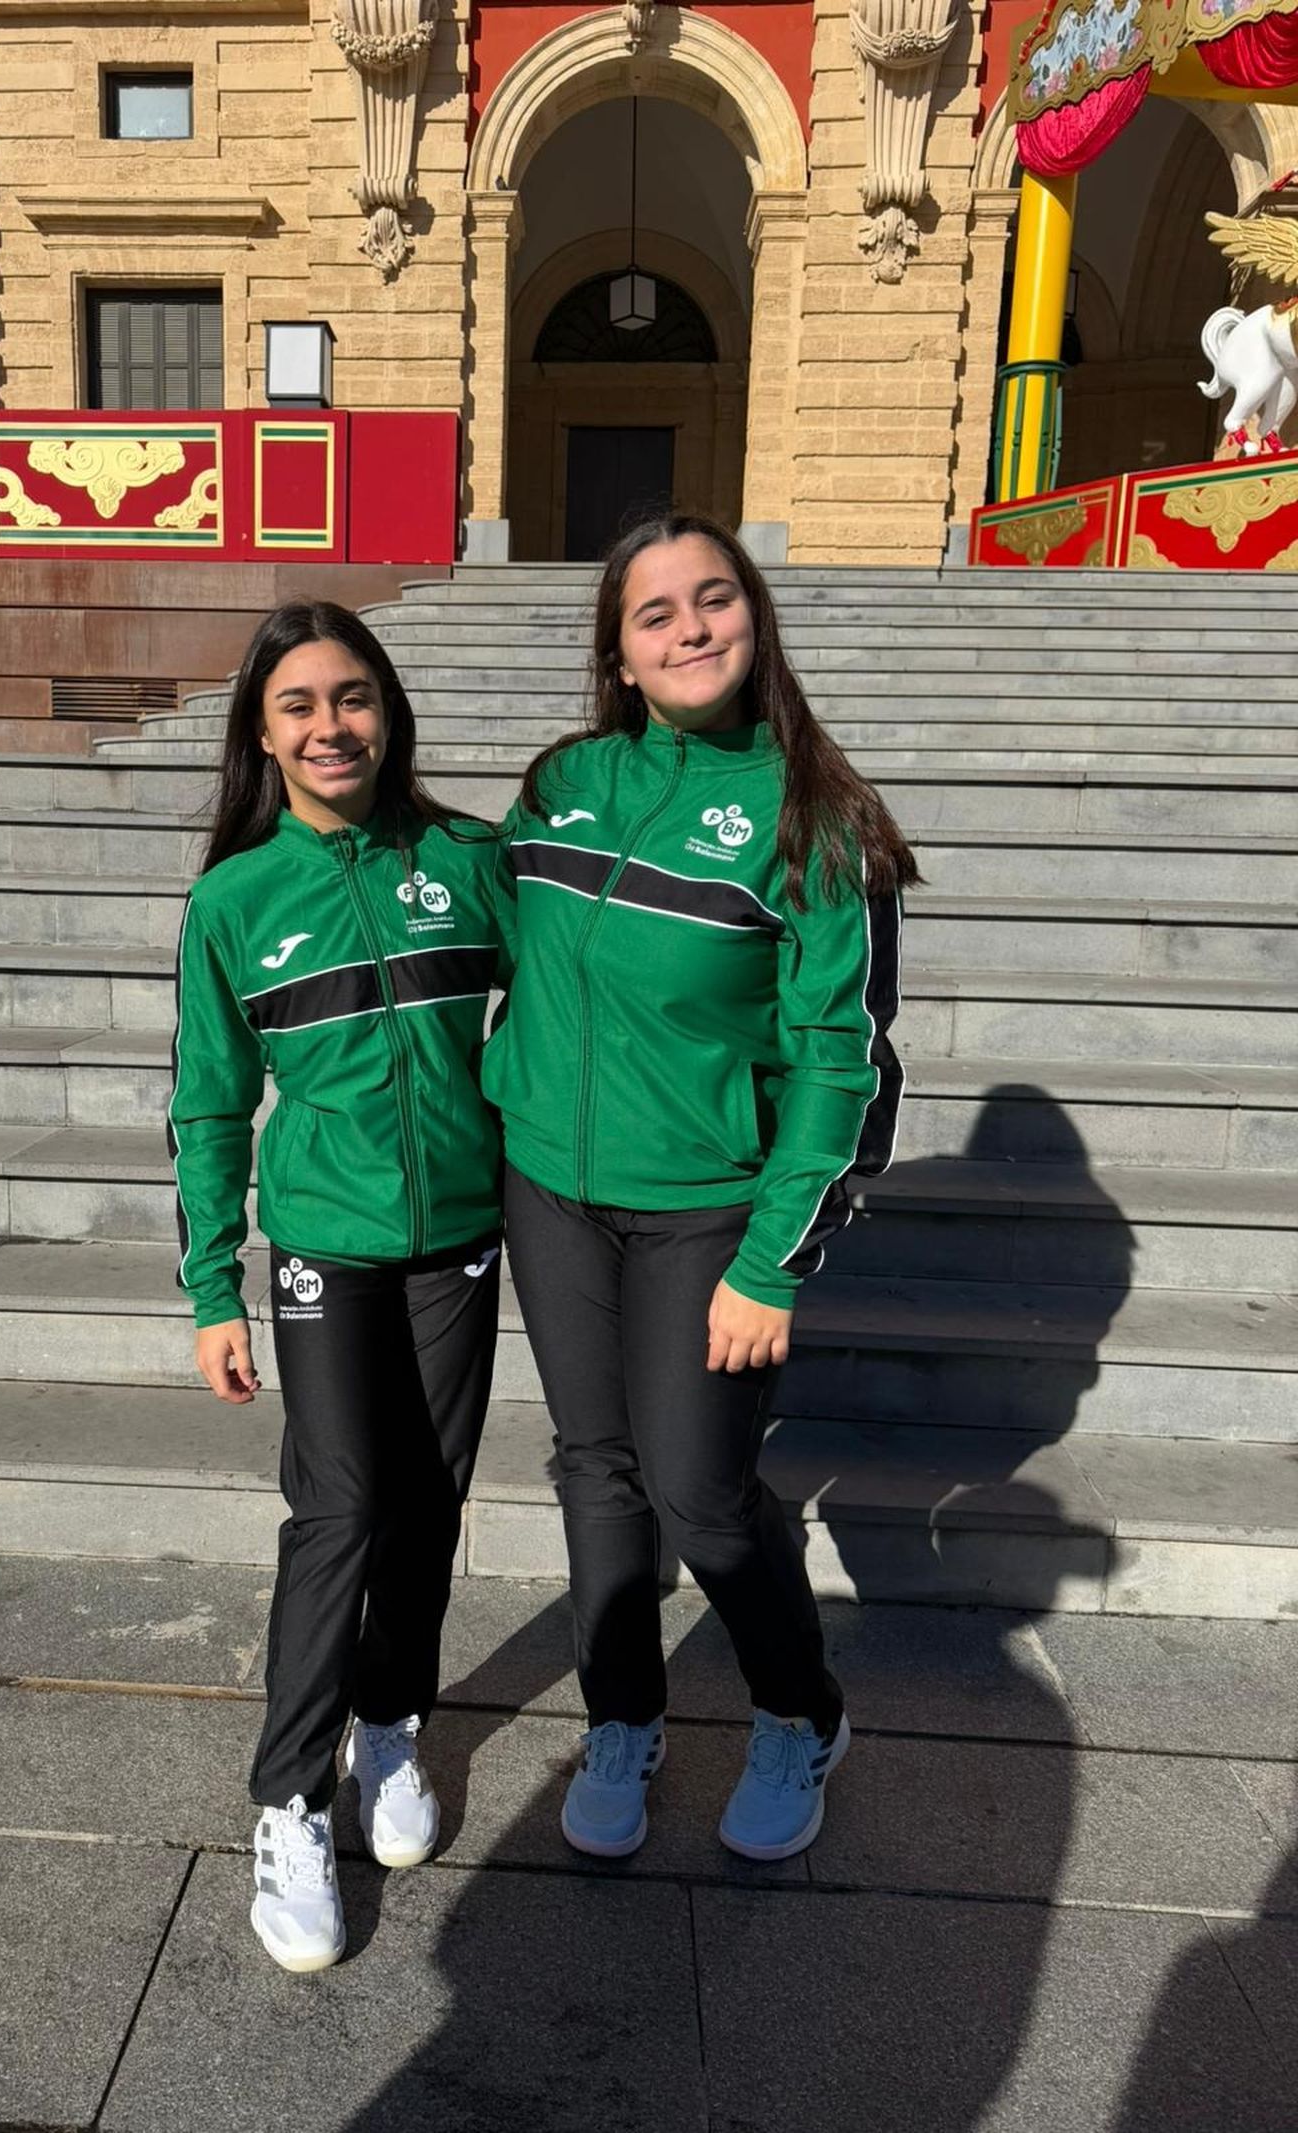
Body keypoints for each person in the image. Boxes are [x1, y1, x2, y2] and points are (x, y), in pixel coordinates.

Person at [485, 513, 916, 1863]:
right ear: (618, 652)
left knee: (702, 1493)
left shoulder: (814, 820)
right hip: (550, 1187)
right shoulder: (564, 780)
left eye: (713, 599)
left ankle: (799, 1711)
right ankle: (624, 1714)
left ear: (754, 617)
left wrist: (772, 1260)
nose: (689, 629)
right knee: (595, 1468)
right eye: (655, 612)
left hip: (707, 1208)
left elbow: (841, 1062)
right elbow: (491, 940)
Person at [169, 599, 511, 1973]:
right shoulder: (235, 901)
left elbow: (581, 1002)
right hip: (323, 1242)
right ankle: (291, 1798)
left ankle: (390, 1725)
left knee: (429, 1499)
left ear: (388, 711)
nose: (331, 726)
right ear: (261, 734)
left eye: (353, 696)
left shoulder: (469, 861)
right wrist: (212, 1285)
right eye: (299, 704)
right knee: (341, 1506)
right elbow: (208, 1103)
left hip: (462, 1236)